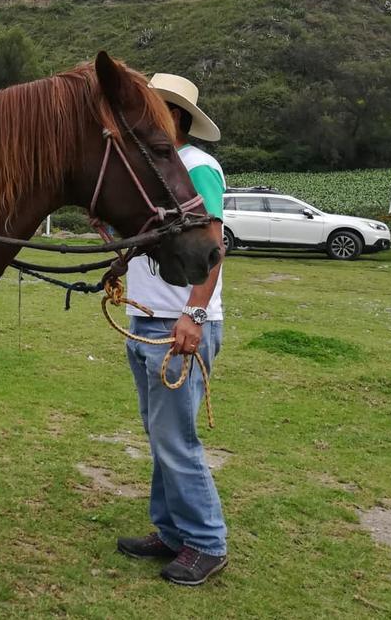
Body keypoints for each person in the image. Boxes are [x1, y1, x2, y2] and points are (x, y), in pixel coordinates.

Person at [117, 73, 229, 586]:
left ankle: (206, 542)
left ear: (175, 119)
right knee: (159, 434)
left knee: (175, 439)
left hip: (178, 322)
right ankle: (169, 531)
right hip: (147, 317)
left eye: (154, 110)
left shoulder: (199, 167)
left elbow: (213, 244)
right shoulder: (151, 171)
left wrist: (195, 314)